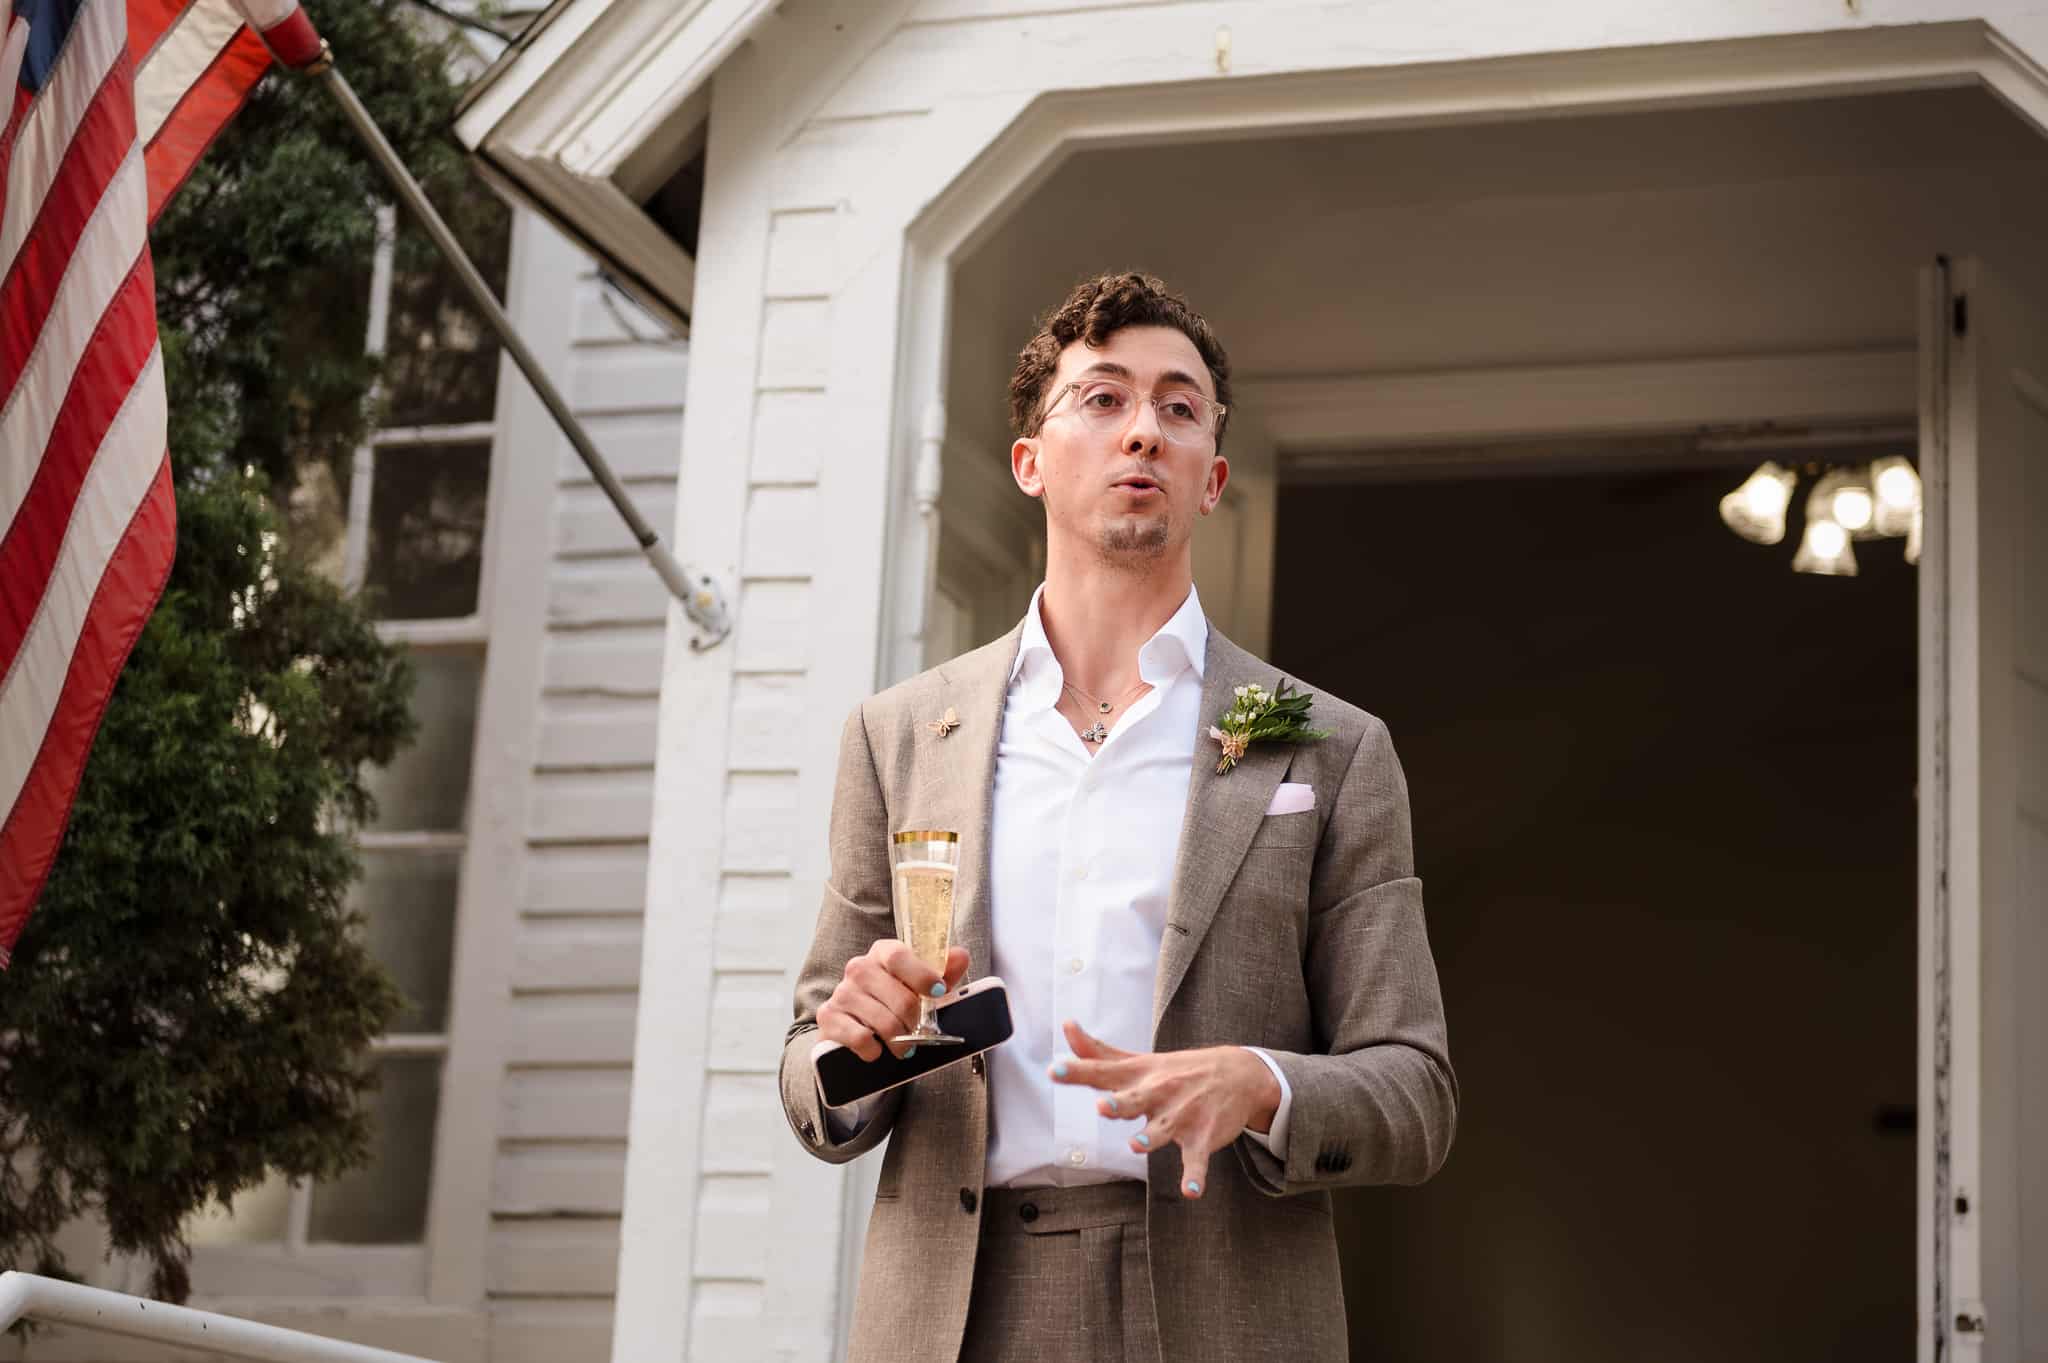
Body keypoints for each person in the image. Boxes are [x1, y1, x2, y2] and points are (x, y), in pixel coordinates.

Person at [778, 272, 1457, 1363]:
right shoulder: (897, 736)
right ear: (1029, 463)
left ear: (1212, 479)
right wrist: (854, 1045)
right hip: (955, 1311)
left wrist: (1263, 1082)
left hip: (1222, 1305)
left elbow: (1413, 1093)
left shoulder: (1327, 748)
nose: (1143, 428)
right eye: (1101, 398)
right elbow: (813, 1071)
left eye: (1177, 408)